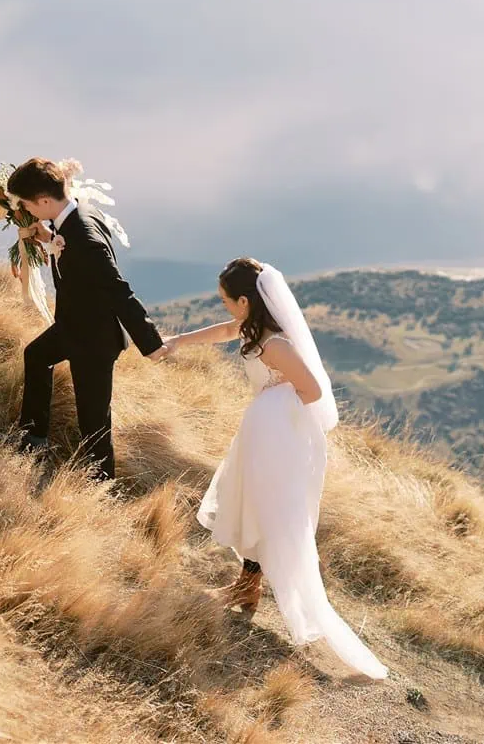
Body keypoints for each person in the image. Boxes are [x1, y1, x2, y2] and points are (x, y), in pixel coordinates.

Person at [157, 258, 388, 679]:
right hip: (262, 430)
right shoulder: (251, 329)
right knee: (249, 502)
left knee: (271, 511)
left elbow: (312, 389)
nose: (225, 307)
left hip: (279, 436)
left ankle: (258, 588)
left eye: (227, 300)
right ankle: (248, 586)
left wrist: (274, 397)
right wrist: (178, 341)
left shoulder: (276, 344)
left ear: (246, 301)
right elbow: (224, 331)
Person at [7, 156, 163, 480]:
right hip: (73, 326)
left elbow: (119, 291)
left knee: (93, 421)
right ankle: (33, 439)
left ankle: (100, 488)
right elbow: (72, 252)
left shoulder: (85, 238)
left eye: (27, 205)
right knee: (35, 356)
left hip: (95, 341)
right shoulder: (75, 213)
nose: (28, 211)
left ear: (45, 201)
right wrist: (49, 240)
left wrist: (152, 344)